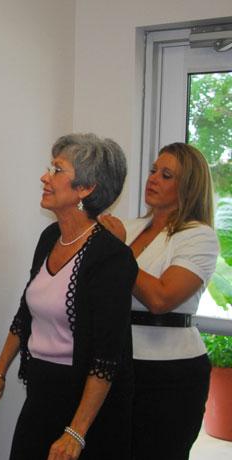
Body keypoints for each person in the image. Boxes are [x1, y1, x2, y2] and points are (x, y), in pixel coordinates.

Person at [0, 133, 138, 460]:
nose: (45, 177)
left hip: (87, 408)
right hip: (41, 393)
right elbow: (26, 314)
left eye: (57, 170)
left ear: (86, 188)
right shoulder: (50, 237)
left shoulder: (112, 258)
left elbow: (107, 357)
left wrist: (76, 432)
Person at [99, 142, 219, 460]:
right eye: (153, 170)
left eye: (166, 175)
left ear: (188, 187)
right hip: (117, 363)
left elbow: (161, 299)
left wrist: (118, 251)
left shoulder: (198, 236)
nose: (153, 179)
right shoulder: (131, 228)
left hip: (171, 372)